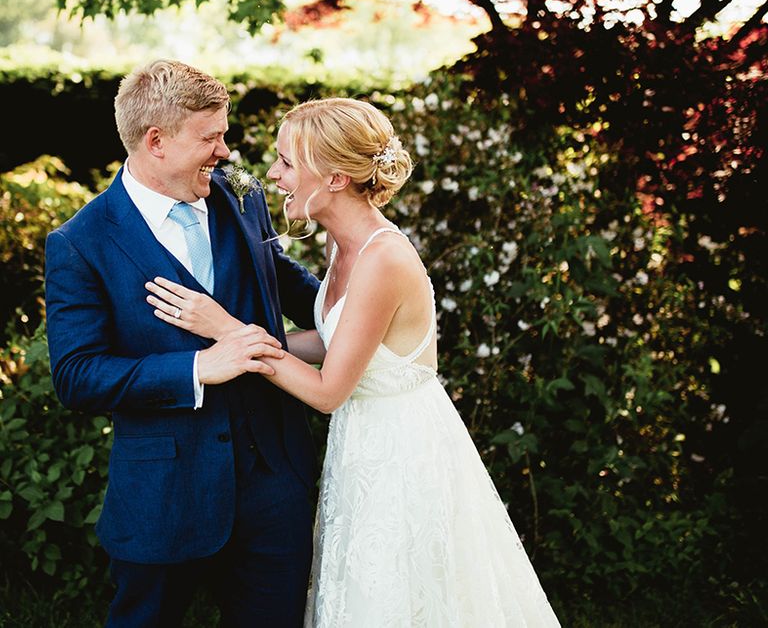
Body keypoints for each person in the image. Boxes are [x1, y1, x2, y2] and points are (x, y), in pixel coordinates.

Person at [145, 97, 561, 627]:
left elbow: (326, 391)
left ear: (336, 177)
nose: (272, 175)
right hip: (363, 442)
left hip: (403, 451)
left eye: (288, 163)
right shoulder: (345, 247)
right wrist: (220, 353)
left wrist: (229, 329)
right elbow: (332, 344)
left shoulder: (382, 258)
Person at [45, 60, 321, 627]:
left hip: (274, 486)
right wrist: (196, 367)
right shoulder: (81, 242)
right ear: (156, 142)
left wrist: (368, 301)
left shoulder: (240, 198)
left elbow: (282, 277)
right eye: (210, 138)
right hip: (163, 497)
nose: (224, 152)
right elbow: (77, 375)